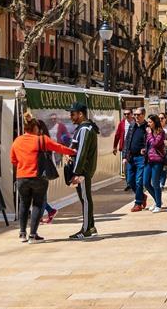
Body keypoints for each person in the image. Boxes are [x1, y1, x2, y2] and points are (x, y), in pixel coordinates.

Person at [11, 113, 76, 243]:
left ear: (25, 128)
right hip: (38, 177)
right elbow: (59, 148)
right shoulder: (41, 140)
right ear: (35, 128)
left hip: (21, 177)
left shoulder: (17, 141)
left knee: (23, 205)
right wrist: (73, 152)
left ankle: (22, 234)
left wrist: (23, 166)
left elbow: (13, 160)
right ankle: (33, 235)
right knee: (37, 205)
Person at [67, 102, 99, 239]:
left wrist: (76, 172)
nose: (71, 117)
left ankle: (86, 229)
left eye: (72, 114)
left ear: (80, 114)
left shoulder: (85, 129)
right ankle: (90, 226)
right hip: (83, 169)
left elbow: (81, 152)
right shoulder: (83, 128)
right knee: (84, 198)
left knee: (85, 199)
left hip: (83, 170)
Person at [124, 107, 148, 212]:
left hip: (141, 158)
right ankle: (142, 196)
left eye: (138, 115)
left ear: (143, 115)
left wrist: (146, 150)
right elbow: (127, 141)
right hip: (131, 157)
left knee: (139, 181)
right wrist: (125, 156)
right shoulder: (132, 126)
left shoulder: (147, 127)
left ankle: (138, 203)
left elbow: (151, 141)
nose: (136, 117)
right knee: (130, 180)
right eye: (135, 115)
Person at [143, 114, 166, 213]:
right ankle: (157, 200)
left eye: (150, 122)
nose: (148, 124)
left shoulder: (161, 132)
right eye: (148, 122)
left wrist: (150, 134)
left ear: (155, 122)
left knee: (155, 183)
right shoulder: (149, 132)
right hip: (148, 160)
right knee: (146, 183)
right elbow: (148, 145)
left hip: (157, 160)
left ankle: (158, 205)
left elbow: (155, 144)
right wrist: (144, 150)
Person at [113, 109, 134, 190]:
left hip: (133, 147)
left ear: (131, 114)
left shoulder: (136, 122)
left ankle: (133, 181)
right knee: (125, 166)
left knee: (132, 165)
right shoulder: (122, 123)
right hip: (124, 147)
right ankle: (128, 183)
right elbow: (117, 135)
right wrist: (115, 146)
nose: (126, 115)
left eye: (128, 114)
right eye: (125, 114)